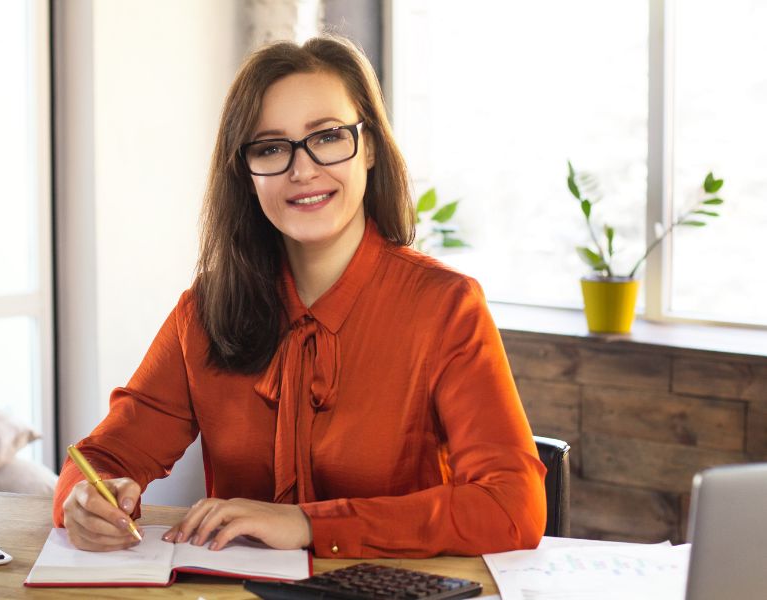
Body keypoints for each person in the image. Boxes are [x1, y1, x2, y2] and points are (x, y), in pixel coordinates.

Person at [54, 34, 546, 559]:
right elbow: (101, 458)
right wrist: (84, 501)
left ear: (371, 145)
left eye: (328, 136)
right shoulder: (204, 311)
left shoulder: (446, 307)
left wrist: (310, 525)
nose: (302, 169)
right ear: (245, 173)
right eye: (270, 147)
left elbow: (512, 506)